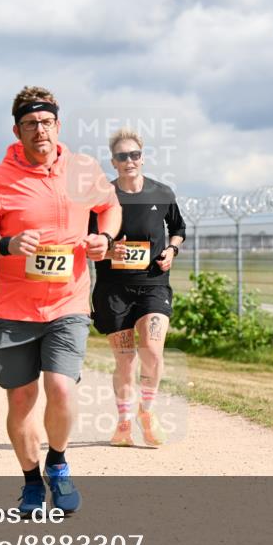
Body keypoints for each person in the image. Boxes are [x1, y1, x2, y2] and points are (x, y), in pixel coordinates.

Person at [0, 86, 121, 515]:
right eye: (30, 124)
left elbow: (110, 206)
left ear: (58, 126)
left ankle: (59, 463)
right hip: (13, 310)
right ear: (17, 130)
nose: (40, 131)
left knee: (61, 388)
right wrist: (7, 244)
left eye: (47, 122)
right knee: (20, 400)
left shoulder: (83, 169)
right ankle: (31, 482)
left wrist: (103, 237)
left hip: (68, 303)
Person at [89, 128, 186, 447]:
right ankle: (124, 423)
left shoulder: (161, 193)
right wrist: (108, 249)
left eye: (134, 155)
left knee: (153, 351)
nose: (129, 160)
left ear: (142, 158)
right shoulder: (103, 198)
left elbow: (178, 229)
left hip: (153, 286)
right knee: (126, 360)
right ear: (113, 162)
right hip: (113, 290)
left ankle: (147, 411)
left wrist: (172, 250)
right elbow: (89, 242)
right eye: (121, 156)